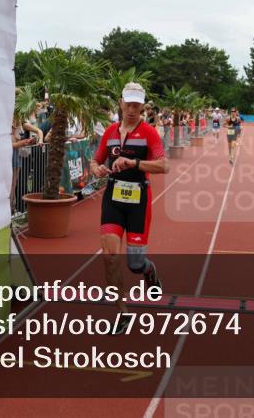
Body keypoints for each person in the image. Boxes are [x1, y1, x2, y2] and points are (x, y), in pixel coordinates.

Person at [90, 82, 168, 334]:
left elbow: (164, 165)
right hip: (113, 198)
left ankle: (149, 270)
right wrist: (97, 169)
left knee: (135, 264)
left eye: (137, 105)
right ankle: (123, 312)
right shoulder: (110, 132)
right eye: (128, 104)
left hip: (138, 201)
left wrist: (134, 163)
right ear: (120, 103)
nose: (132, 110)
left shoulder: (149, 132)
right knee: (110, 257)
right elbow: (94, 160)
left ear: (142, 107)